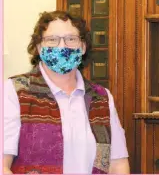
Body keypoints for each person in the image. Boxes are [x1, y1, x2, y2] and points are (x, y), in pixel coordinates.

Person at [3, 11, 130, 174]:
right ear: (39, 47)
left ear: (83, 46)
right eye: (52, 39)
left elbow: (117, 165)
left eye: (71, 39)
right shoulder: (14, 91)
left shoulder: (102, 98)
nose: (62, 46)